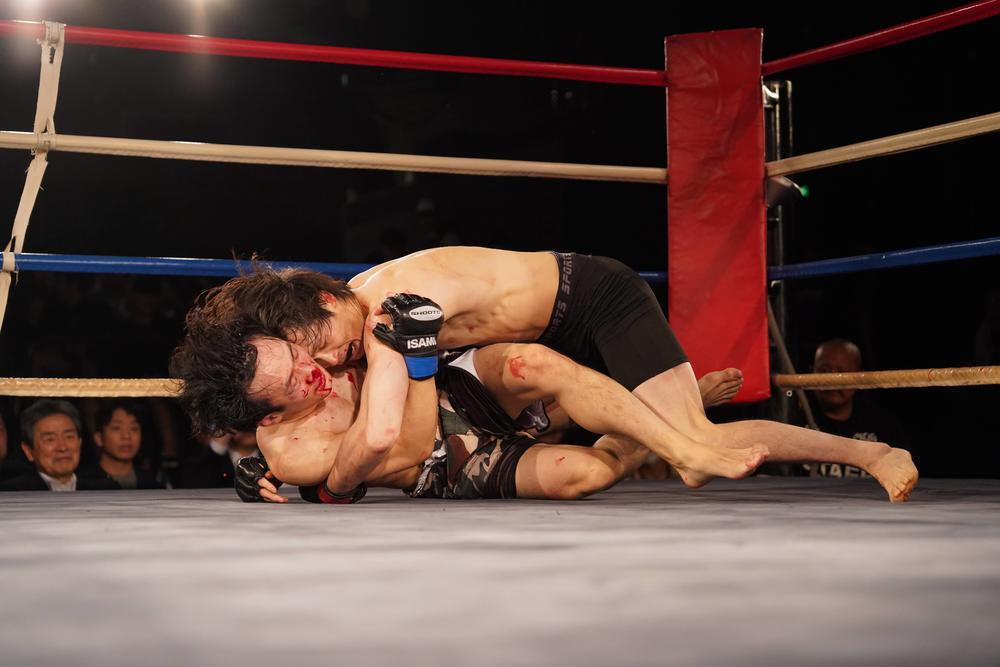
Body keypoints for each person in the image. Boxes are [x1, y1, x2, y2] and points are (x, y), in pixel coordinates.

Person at [175, 295, 917, 503]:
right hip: (443, 464)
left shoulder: (318, 340)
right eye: (293, 381)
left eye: (297, 353)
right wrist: (408, 355)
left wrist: (405, 345)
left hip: (459, 387)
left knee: (531, 362)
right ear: (266, 415)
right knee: (583, 474)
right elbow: (392, 441)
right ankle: (646, 431)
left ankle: (867, 453)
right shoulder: (292, 451)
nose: (314, 369)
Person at [804, 339, 910, 478]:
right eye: (824, 371)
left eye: (842, 372)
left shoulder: (883, 425)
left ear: (860, 376)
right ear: (811, 372)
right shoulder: (793, 421)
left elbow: (902, 473)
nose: (832, 379)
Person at [0, 399, 117, 492]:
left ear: (80, 443)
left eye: (69, 437)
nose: (62, 447)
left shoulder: (106, 489)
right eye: (50, 439)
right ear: (28, 451)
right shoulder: (11, 493)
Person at [77, 400, 164, 489]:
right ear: (99, 438)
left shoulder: (152, 484)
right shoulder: (82, 484)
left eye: (134, 428)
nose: (126, 436)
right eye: (116, 428)